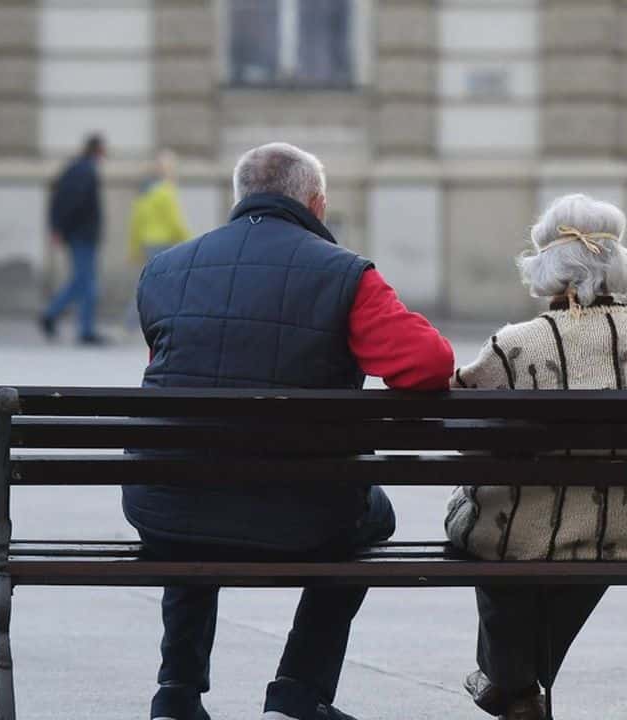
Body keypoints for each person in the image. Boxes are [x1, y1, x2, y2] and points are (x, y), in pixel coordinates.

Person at [125, 142, 455, 720]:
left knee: (191, 477)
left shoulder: (164, 271)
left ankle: (176, 692)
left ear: (240, 198)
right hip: (305, 517)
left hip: (167, 508)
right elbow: (428, 365)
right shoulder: (345, 276)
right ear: (317, 205)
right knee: (371, 516)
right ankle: (298, 692)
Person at [447, 194, 627, 720]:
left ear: (549, 272)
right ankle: (514, 683)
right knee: (590, 525)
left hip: (522, 530)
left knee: (499, 521)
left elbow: (460, 412)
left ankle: (513, 683)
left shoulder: (516, 345)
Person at [40, 133, 107, 344]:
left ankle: (51, 315)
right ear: (96, 150)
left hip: (79, 234)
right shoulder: (84, 171)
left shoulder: (77, 168)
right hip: (82, 235)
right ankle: (84, 330)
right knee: (87, 283)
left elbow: (61, 200)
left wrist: (59, 228)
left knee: (81, 281)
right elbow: (72, 203)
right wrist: (60, 228)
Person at [126, 149, 191, 329]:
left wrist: (133, 249)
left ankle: (132, 322)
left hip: (148, 243)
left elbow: (136, 223)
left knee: (146, 284)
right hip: (164, 243)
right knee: (171, 285)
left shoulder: (145, 193)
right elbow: (174, 220)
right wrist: (190, 240)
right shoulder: (165, 191)